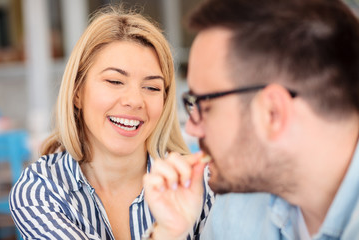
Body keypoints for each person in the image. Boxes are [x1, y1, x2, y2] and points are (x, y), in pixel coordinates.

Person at [143, 0, 359, 239]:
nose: (192, 128)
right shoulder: (238, 202)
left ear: (272, 113)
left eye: (203, 106)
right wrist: (166, 234)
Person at [9, 5, 213, 240]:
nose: (135, 101)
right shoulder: (41, 188)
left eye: (152, 87)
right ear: (77, 92)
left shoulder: (200, 187)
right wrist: (166, 233)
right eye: (115, 81)